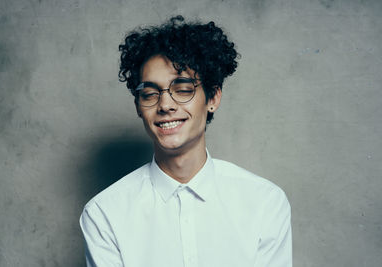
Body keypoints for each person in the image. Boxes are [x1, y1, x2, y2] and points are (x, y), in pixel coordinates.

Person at [80, 16, 292, 267]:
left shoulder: (264, 202)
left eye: (182, 89)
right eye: (149, 93)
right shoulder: (104, 214)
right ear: (139, 106)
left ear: (212, 97)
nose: (166, 105)